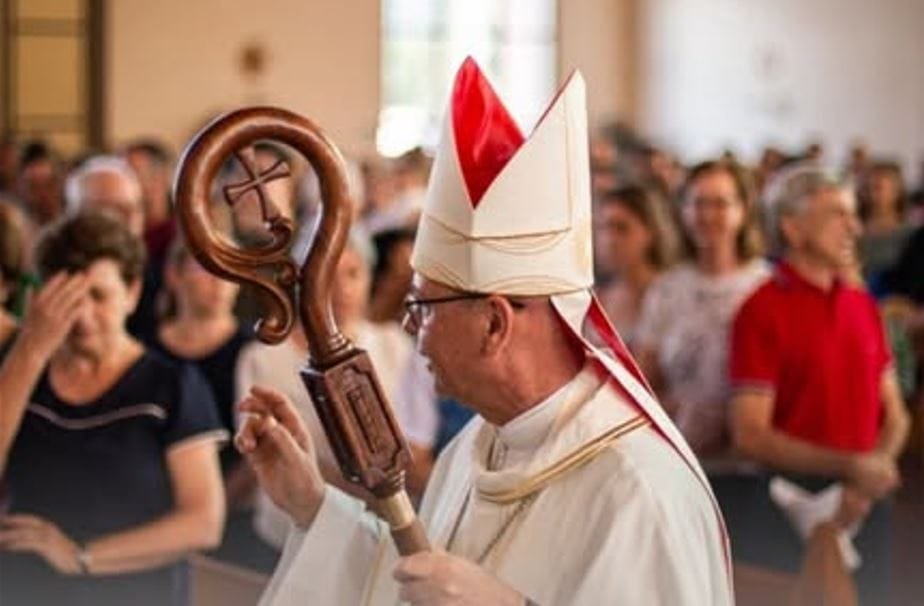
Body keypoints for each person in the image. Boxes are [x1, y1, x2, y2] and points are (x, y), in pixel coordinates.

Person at [236, 58, 731, 605]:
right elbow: (417, 580)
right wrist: (312, 503)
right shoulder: (478, 443)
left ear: (494, 322)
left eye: (423, 309)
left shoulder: (639, 489)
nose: (414, 332)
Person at [0, 212, 227, 605]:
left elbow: (204, 522)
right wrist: (32, 350)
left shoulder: (171, 386)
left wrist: (81, 556)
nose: (83, 317)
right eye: (67, 298)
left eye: (98, 296)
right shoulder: (21, 366)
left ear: (132, 292)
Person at [728, 164, 910, 605]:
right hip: (791, 503)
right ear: (792, 228)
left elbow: (896, 415)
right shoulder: (761, 309)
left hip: (867, 498)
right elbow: (750, 434)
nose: (854, 226)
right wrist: (851, 468)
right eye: (837, 214)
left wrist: (871, 474)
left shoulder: (863, 304)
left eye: (853, 213)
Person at [635, 160, 770, 456]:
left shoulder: (765, 286)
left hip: (748, 454)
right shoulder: (668, 288)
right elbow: (644, 381)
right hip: (679, 447)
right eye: (698, 203)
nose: (707, 215)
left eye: (720, 204)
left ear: (743, 210)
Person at [594, 185, 679, 349]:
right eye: (603, 228)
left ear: (650, 232)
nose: (609, 240)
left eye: (621, 228)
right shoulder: (599, 299)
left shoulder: (670, 294)